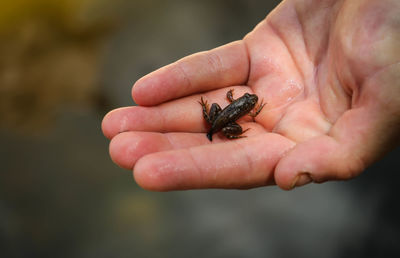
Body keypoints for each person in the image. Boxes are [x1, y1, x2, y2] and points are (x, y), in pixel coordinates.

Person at [102, 0, 400, 191]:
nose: (250, 103)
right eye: (249, 103)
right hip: (219, 124)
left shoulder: (239, 105)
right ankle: (222, 128)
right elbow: (245, 109)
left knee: (220, 115)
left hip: (217, 120)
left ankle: (215, 121)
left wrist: (224, 112)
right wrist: (239, 126)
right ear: (246, 104)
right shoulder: (246, 110)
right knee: (225, 123)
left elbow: (236, 102)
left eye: (250, 103)